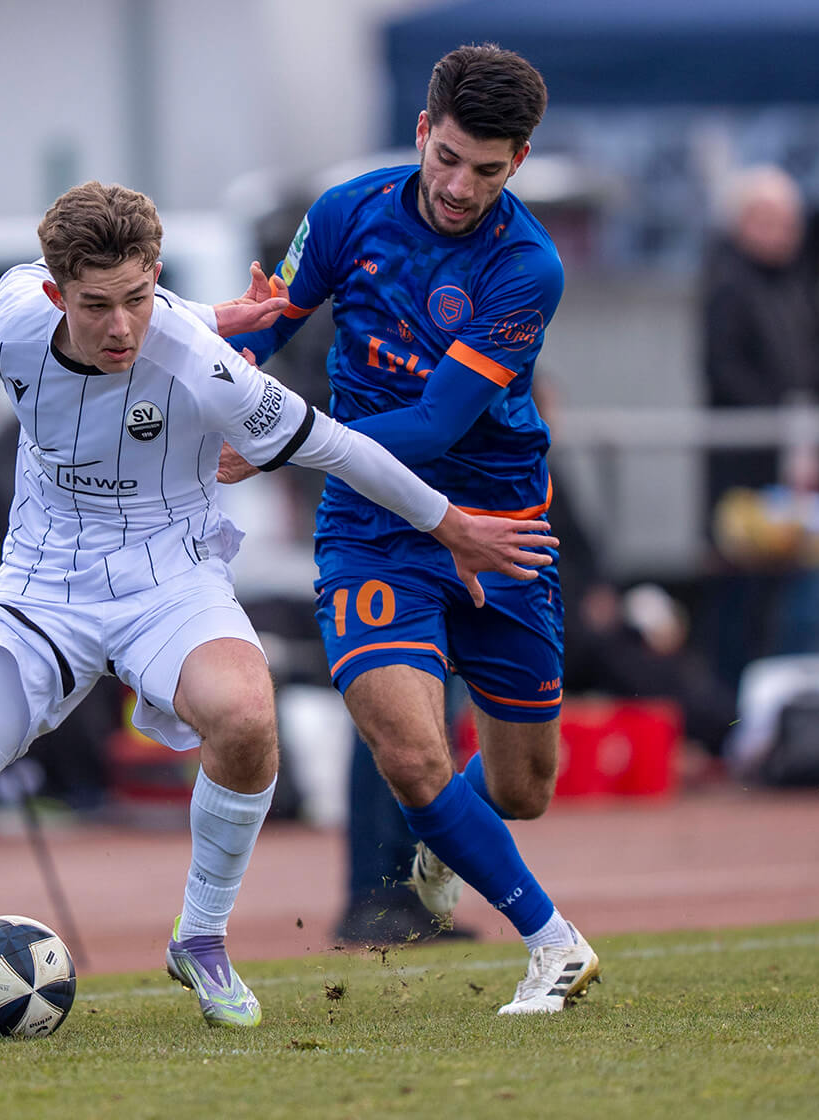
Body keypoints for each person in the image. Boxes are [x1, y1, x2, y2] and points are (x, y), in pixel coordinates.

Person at [0, 180, 558, 1038]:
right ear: (55, 294)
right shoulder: (6, 322)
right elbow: (106, 303)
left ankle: (200, 938)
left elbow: (339, 445)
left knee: (246, 717)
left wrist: (453, 525)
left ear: (154, 278)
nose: (123, 326)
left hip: (172, 580)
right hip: (41, 592)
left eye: (139, 298)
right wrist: (207, 309)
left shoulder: (205, 367)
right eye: (98, 306)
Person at [219, 44, 600, 1014]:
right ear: (423, 132)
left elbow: (435, 422)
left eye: (489, 168)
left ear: (518, 161)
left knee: (519, 791)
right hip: (371, 523)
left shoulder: (528, 266)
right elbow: (268, 328)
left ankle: (448, 828)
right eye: (449, 159)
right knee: (411, 751)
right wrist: (213, 374)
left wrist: (271, 445)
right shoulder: (345, 213)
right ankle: (552, 944)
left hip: (497, 519)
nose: (461, 186)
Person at [700, 165, 819, 685]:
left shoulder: (803, 286)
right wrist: (787, 414)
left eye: (790, 221)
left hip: (805, 478)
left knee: (807, 608)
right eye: (770, 220)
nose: (784, 233)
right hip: (750, 483)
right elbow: (724, 372)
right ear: (743, 222)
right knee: (747, 611)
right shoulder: (727, 286)